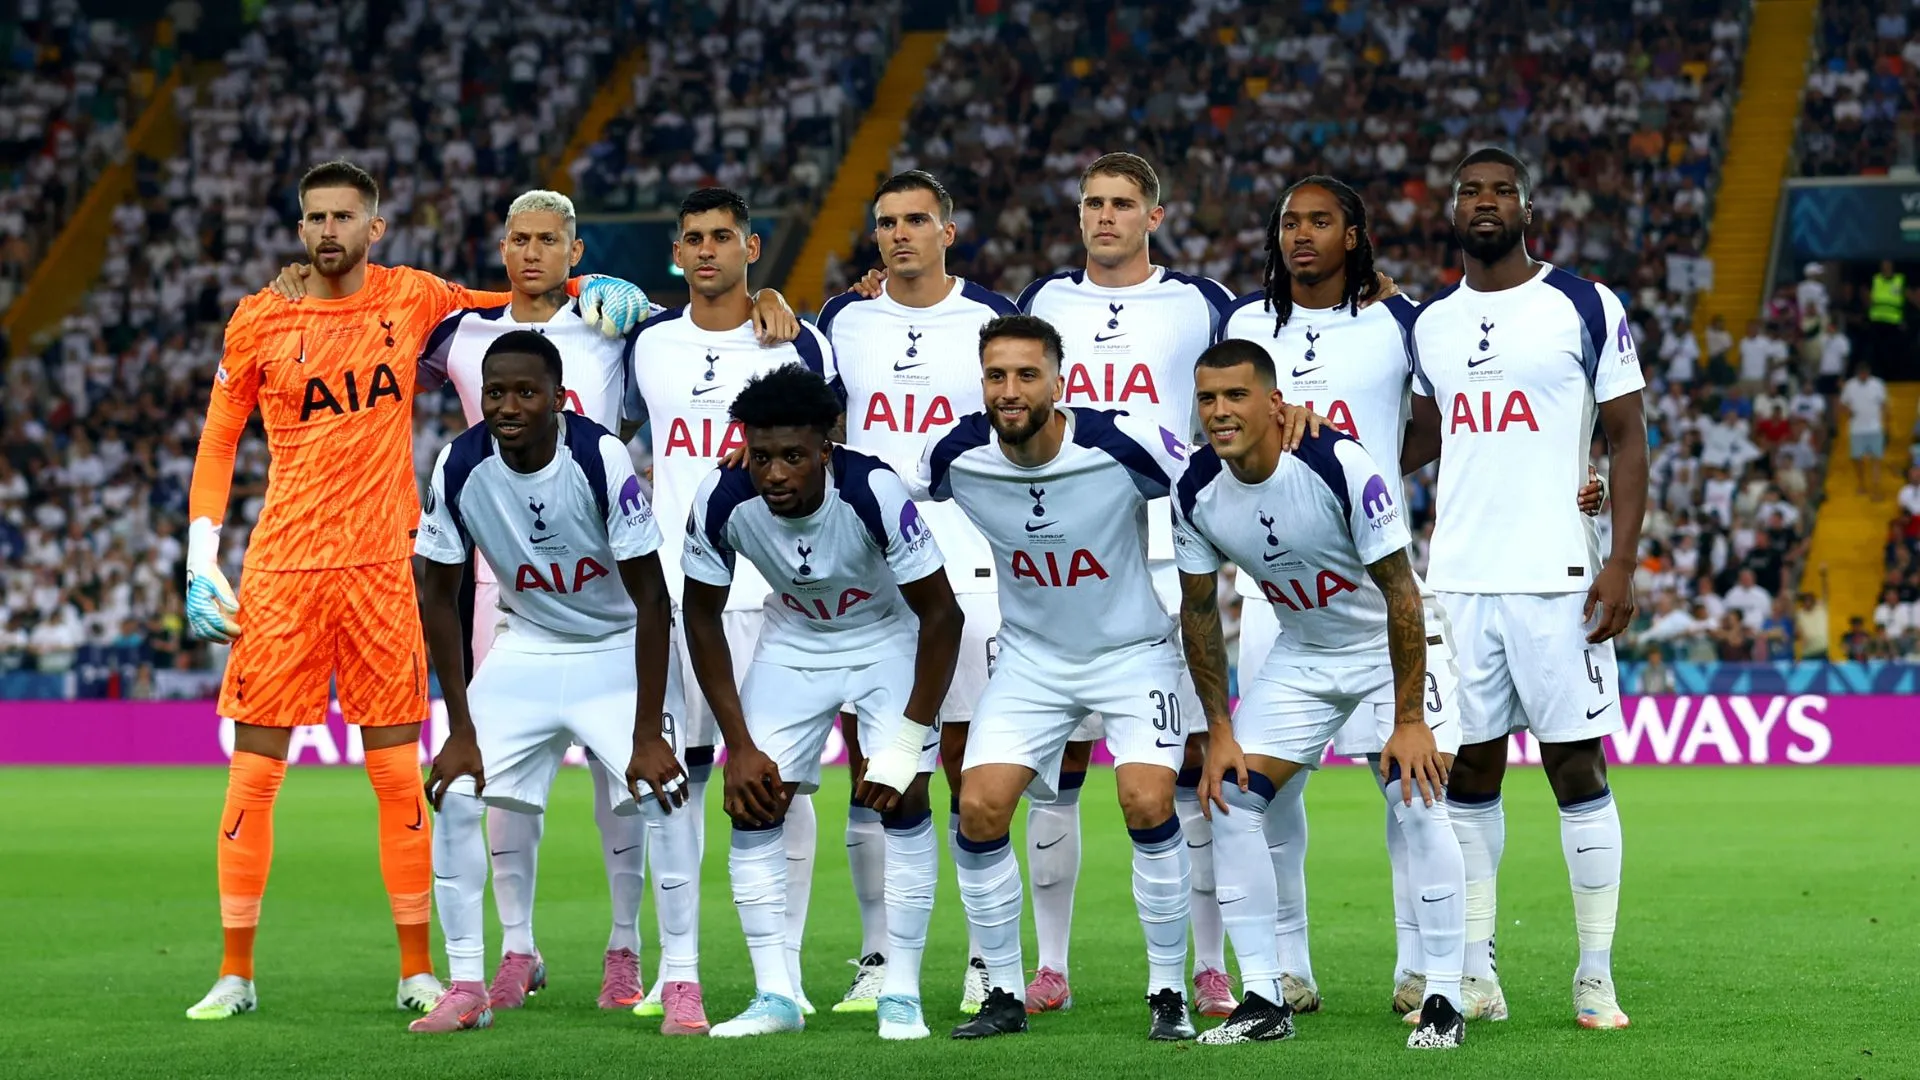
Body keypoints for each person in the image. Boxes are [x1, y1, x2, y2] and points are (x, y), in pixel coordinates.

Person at [182, 160, 649, 1022]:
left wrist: (589, 279)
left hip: (386, 563)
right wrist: (199, 553)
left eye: (344, 216)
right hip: (281, 566)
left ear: (375, 226)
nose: (328, 231)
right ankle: (234, 973)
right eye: (314, 217)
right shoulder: (258, 317)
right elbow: (219, 440)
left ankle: (416, 968)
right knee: (253, 774)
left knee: (402, 773)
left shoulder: (415, 298)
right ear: (299, 230)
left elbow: (508, 290)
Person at [1218, 174, 1603, 1018]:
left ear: (1354, 235)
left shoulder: (1403, 321)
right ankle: (1287, 967)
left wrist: (1369, 478)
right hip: (1272, 591)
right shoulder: (1243, 323)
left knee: (1410, 783)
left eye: (1321, 221)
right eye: (1289, 221)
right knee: (1270, 792)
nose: (1301, 235)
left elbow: (1443, 419)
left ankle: (1416, 969)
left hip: (1375, 588)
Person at [414, 189, 800, 1023]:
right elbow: (381, 328)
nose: (530, 252)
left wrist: (770, 302)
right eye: (518, 238)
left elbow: (701, 337)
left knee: (645, 786)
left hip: (623, 606)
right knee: (467, 787)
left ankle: (644, 958)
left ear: (573, 248)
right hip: (511, 599)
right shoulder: (461, 341)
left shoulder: (618, 330)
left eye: (548, 240)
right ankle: (491, 966)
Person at [1401, 148, 1648, 1030]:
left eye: (1501, 190)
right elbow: (1421, 439)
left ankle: (1593, 974)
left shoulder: (1583, 303)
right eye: (1470, 191)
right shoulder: (1430, 322)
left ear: (1528, 210)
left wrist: (1620, 560)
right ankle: (1475, 972)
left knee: (1575, 763)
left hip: (1559, 576)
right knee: (1470, 768)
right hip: (1461, 577)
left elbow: (1626, 436)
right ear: (1453, 211)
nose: (1484, 202)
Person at [1175, 338, 1468, 1050]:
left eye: (1236, 395)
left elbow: (1403, 593)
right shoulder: (1195, 491)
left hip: (1388, 649)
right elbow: (1200, 610)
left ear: (1275, 403)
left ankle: (1444, 1001)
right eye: (1208, 398)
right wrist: (1219, 730)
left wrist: (1408, 720)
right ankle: (1264, 998)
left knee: (1416, 793)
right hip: (1304, 653)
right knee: (1233, 796)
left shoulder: (1338, 465)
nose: (1219, 411)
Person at [918, 314, 1200, 1042]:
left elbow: (1214, 467)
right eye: (996, 376)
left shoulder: (1119, 442)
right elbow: (870, 480)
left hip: (1133, 653)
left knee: (1145, 799)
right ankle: (1004, 991)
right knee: (978, 808)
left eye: (1025, 375)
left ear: (1059, 380)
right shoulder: (955, 454)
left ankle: (1168, 991)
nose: (1009, 391)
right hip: (1033, 661)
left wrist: (1294, 424)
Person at [410, 331, 691, 1034]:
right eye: (496, 392)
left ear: (558, 398)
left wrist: (647, 732)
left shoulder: (598, 455)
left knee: (665, 795)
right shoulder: (459, 463)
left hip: (617, 645)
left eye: (524, 392)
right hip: (528, 646)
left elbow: (653, 600)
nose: (507, 405)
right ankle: (468, 981)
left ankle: (679, 978)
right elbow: (437, 597)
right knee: (453, 791)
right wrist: (461, 728)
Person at [1011, 151, 1237, 1020]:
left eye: (1120, 204)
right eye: (1091, 204)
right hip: (1061, 569)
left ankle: (1207, 964)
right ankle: (1053, 965)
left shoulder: (1201, 304)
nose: (1103, 217)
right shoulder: (1041, 303)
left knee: (1185, 771)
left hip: (1167, 562)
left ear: (1155, 215)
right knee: (1056, 771)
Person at [682, 363, 964, 1040]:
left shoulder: (871, 490)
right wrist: (740, 745)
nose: (775, 474)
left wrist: (903, 742)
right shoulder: (721, 498)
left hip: (883, 638)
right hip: (795, 641)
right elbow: (699, 617)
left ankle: (901, 993)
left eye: (793, 458)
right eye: (761, 457)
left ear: (825, 452)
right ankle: (775, 997)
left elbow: (942, 617)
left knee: (904, 797)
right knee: (752, 800)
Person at [625, 186, 839, 1016]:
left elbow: (833, 447)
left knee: (780, 781)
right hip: (684, 594)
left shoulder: (798, 339)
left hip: (779, 593)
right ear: (675, 254)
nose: (706, 250)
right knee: (678, 780)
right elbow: (557, 312)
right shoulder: (646, 342)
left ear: (753, 247)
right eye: (691, 238)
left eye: (723, 237)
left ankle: (779, 972)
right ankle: (677, 970)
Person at [815, 169, 1017, 1014]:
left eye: (916, 221)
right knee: (878, 772)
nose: (899, 235)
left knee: (970, 771)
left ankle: (982, 961)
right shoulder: (843, 319)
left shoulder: (993, 317)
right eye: (887, 222)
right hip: (867, 569)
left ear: (949, 229)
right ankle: (876, 958)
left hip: (967, 562)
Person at [1839, 361, 1889, 499]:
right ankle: (1861, 483)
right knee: (1857, 459)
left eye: (1865, 373)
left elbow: (1884, 404)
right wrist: (1848, 410)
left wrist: (1887, 425)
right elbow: (1842, 404)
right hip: (1856, 428)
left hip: (1874, 427)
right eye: (1861, 374)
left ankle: (1876, 488)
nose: (1863, 375)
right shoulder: (1850, 385)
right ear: (1857, 373)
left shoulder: (1878, 384)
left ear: (1868, 372)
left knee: (1876, 459)